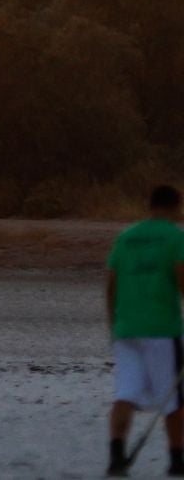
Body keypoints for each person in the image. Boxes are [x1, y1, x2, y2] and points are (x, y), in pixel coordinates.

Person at [105, 185, 184, 477]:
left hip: (125, 329)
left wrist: (113, 325)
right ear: (176, 207)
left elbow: (111, 284)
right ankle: (176, 459)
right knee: (173, 397)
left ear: (150, 206)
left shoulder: (126, 237)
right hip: (162, 329)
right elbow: (182, 280)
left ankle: (116, 457)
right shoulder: (176, 237)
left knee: (125, 393)